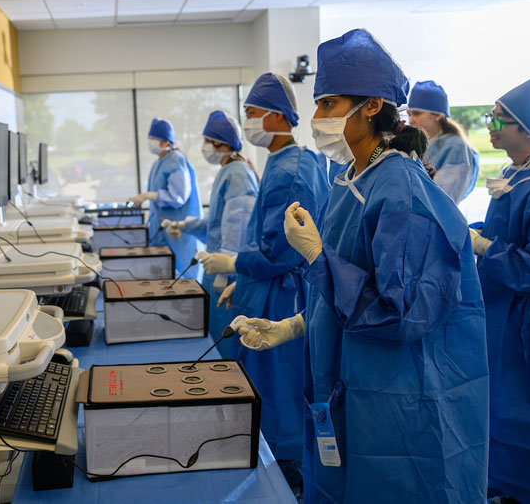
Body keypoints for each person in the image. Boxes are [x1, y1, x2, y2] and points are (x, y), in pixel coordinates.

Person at [238, 29, 489, 503]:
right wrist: (296, 324)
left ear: (372, 105)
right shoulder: (351, 178)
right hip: (353, 381)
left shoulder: (401, 190)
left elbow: (401, 314)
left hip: (399, 398)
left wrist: (315, 256)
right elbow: (356, 284)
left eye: (328, 104)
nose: (316, 118)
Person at [202, 72, 330, 492]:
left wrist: (236, 262)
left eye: (252, 112)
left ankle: (284, 482)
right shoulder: (286, 162)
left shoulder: (291, 171)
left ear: (277, 116)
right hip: (271, 288)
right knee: (270, 387)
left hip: (283, 296)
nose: (248, 120)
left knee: (278, 392)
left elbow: (282, 253)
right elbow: (269, 239)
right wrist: (245, 279)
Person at [471, 76, 530, 504]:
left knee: (525, 413)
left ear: (529, 131)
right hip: (500, 312)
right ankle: (498, 489)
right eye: (491, 118)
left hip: (529, 324)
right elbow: (508, 234)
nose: (491, 127)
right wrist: (475, 233)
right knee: (495, 411)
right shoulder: (514, 175)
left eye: (499, 121)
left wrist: (486, 247)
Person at [164, 110, 259, 357]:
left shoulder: (238, 174)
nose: (204, 146)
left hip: (227, 274)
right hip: (217, 267)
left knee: (230, 344)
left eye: (208, 141)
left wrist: (224, 269)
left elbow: (237, 229)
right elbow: (216, 222)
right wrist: (185, 225)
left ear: (222, 144)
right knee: (218, 338)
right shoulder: (227, 171)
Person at [129, 118, 202, 279]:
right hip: (161, 228)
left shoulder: (176, 160)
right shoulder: (159, 163)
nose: (150, 142)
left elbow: (178, 197)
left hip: (177, 231)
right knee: (163, 275)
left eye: (153, 139)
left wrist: (149, 195)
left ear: (166, 141)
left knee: (183, 278)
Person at [407, 80, 479, 202]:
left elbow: (443, 198)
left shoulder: (455, 147)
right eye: (409, 114)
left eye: (417, 113)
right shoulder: (423, 144)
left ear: (438, 115)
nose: (411, 120)